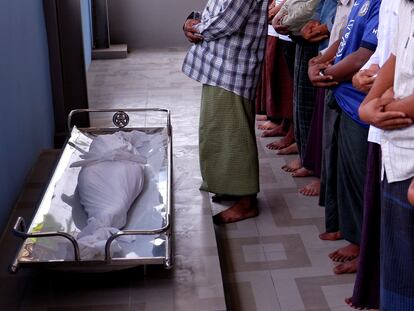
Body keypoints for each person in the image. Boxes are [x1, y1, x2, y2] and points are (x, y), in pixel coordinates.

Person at [308, 0, 381, 274]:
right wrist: (321, 60)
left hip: (360, 102)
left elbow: (364, 55)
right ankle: (355, 238)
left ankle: (367, 248)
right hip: (344, 96)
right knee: (346, 174)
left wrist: (325, 72)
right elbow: (346, 36)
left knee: (363, 181)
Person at [182, 0, 269, 224]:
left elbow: (229, 21)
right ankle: (231, 187)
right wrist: (191, 23)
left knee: (235, 136)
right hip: (221, 66)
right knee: (216, 129)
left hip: (233, 66)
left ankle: (246, 202)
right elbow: (217, 11)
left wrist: (196, 28)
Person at [359, 0, 414, 308]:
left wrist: (385, 108)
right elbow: (395, 55)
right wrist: (370, 103)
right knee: (398, 272)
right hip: (397, 151)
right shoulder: (406, 7)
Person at [347, 0, 399, 308]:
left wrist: (379, 100)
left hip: (394, 115)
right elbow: (389, 52)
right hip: (384, 115)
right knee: (385, 219)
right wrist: (364, 75)